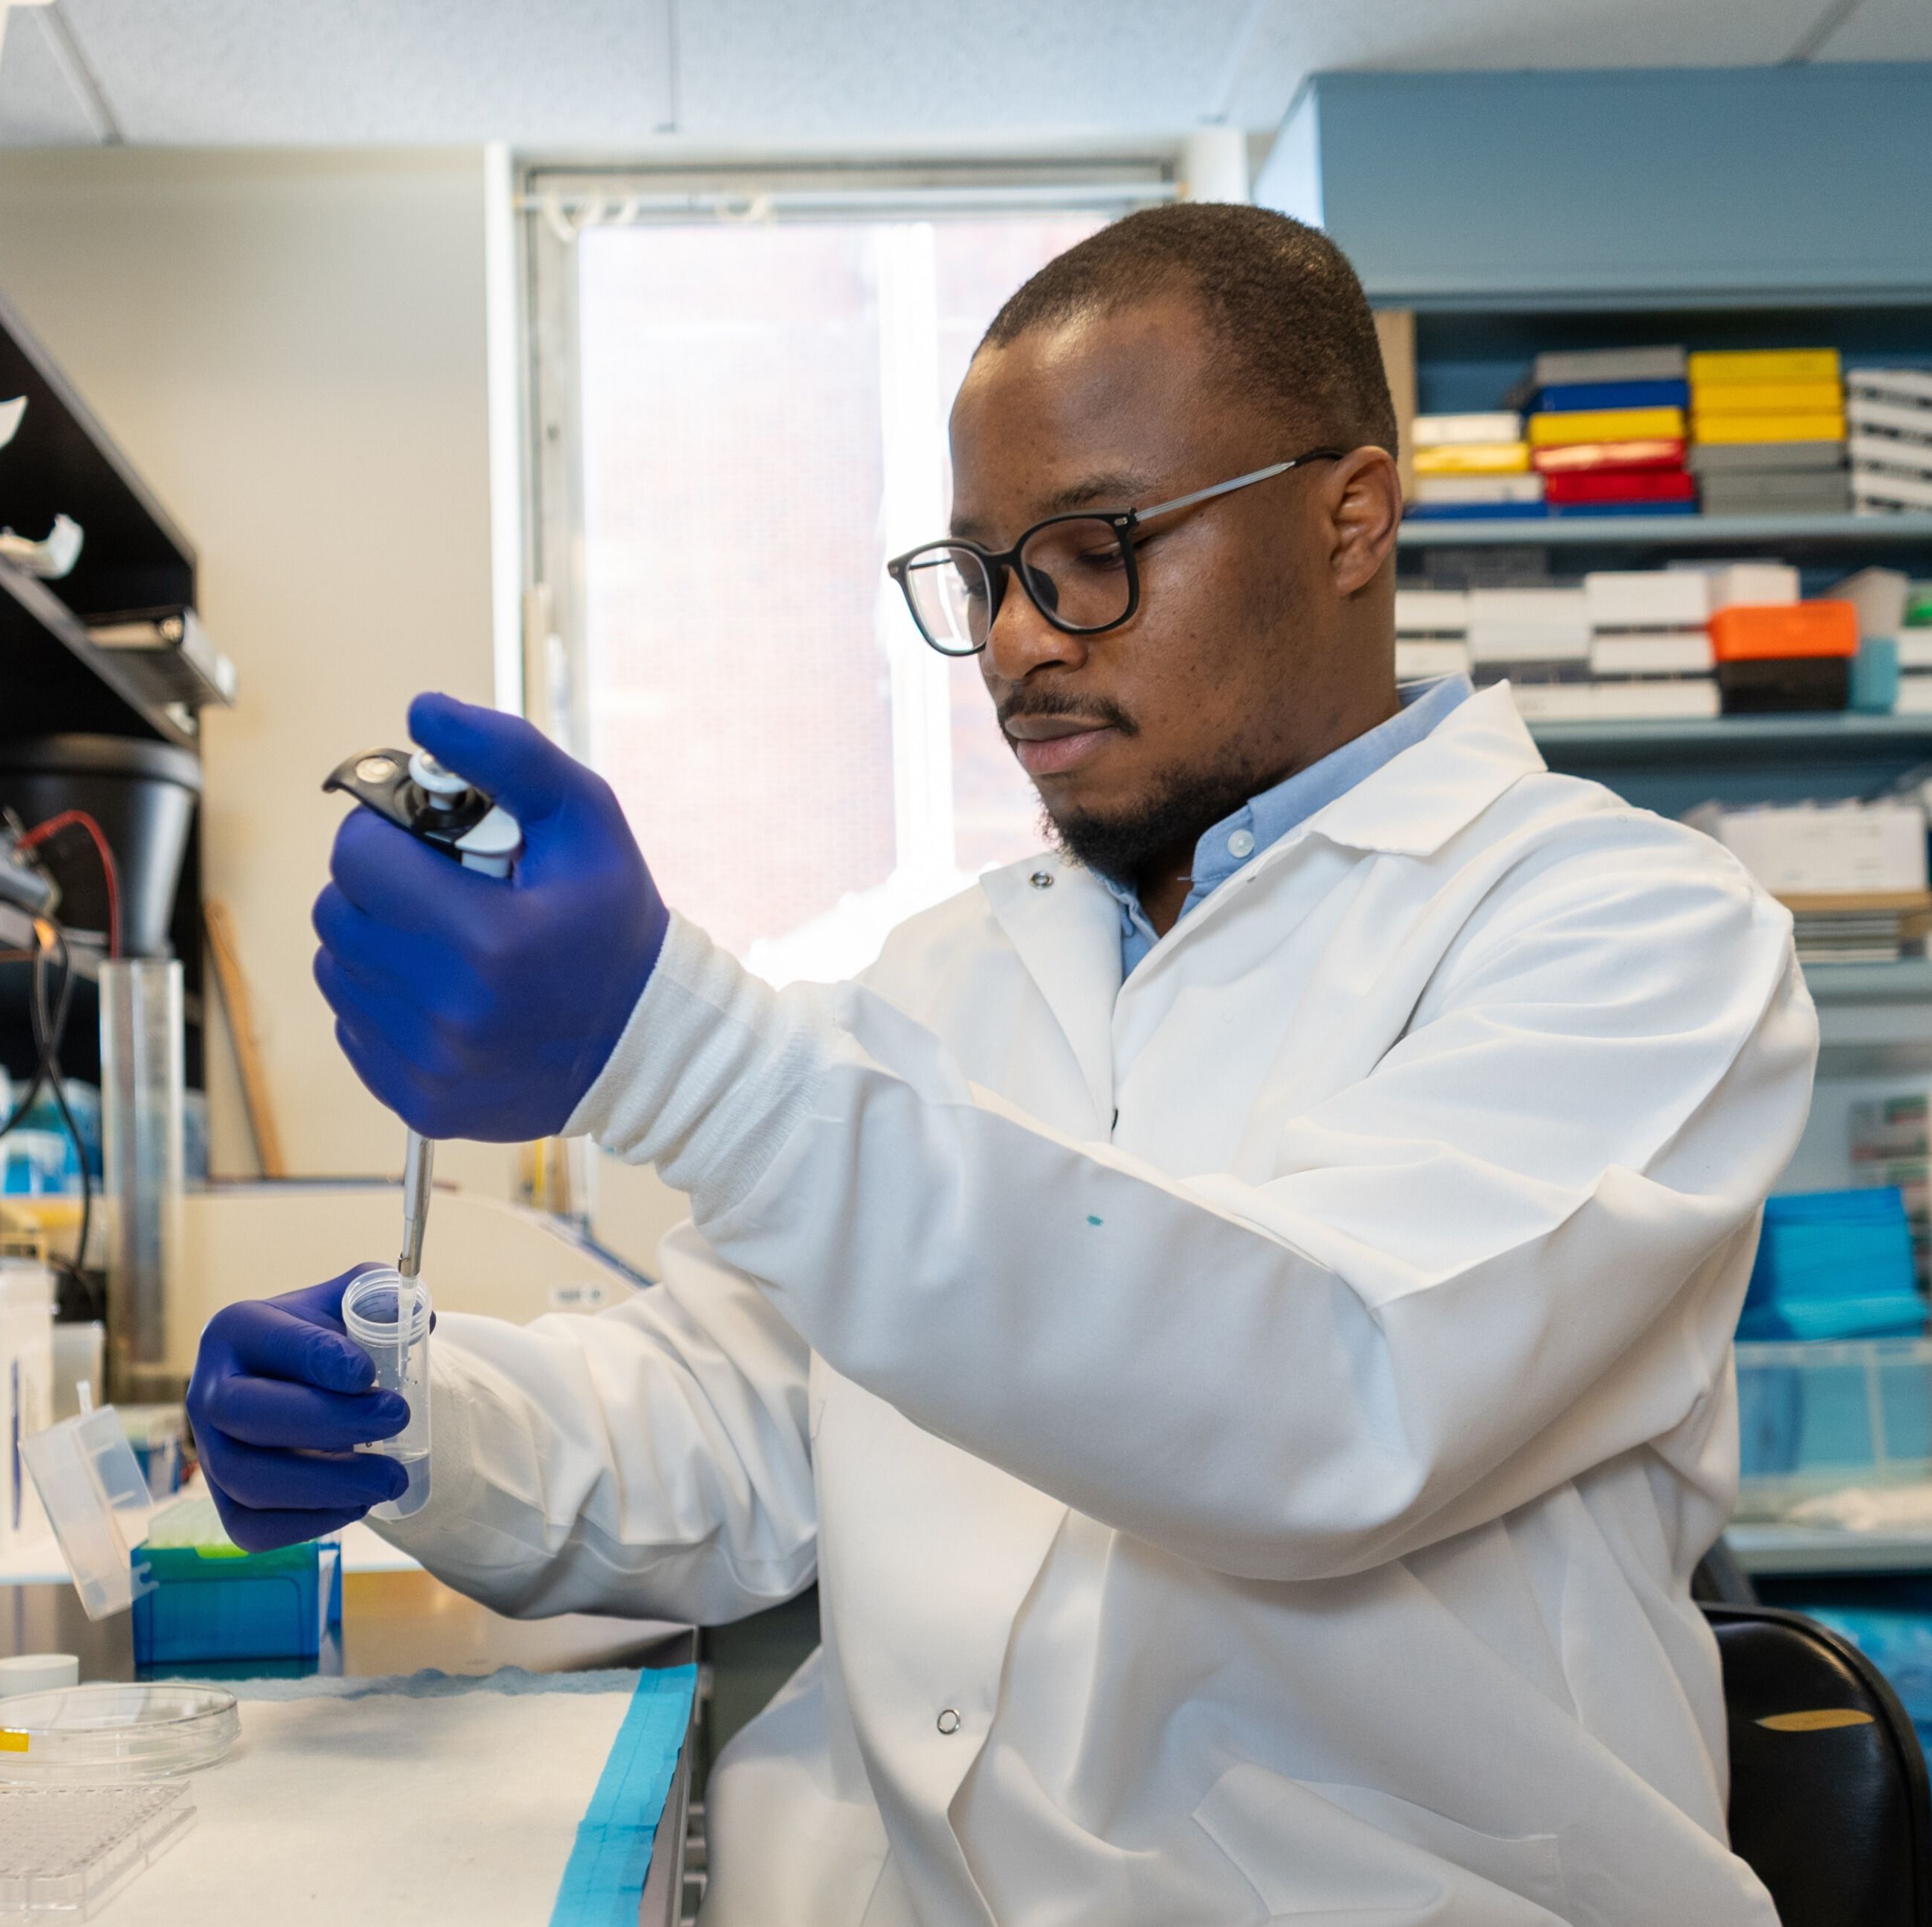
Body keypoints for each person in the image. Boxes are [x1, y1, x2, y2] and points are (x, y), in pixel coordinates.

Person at [190, 203, 1817, 1926]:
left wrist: (669, 1047)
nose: (1024, 637)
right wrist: (416, 1420)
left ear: (1352, 514)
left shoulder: (1632, 934)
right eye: (982, 573)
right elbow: (741, 1425)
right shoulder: (950, 972)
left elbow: (1331, 1400)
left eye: (1097, 546)